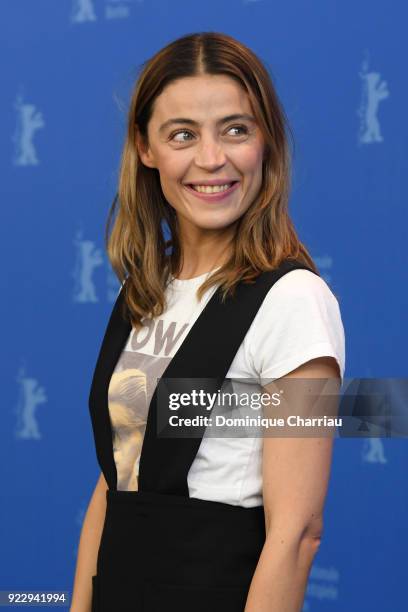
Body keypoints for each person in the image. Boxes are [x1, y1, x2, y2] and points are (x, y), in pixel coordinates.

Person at [70, 31, 345, 612]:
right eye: (183, 134)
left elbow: (297, 534)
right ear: (146, 148)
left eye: (235, 129)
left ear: (264, 142)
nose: (211, 159)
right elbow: (115, 480)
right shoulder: (144, 289)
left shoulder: (294, 300)